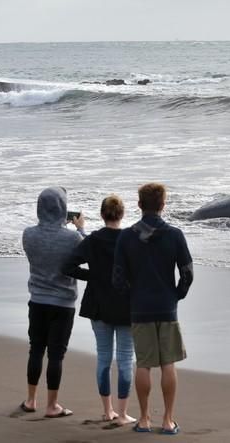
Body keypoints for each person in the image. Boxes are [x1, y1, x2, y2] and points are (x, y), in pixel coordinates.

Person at [112, 183, 193, 435]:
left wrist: (131, 295)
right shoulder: (174, 234)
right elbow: (187, 272)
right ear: (162, 205)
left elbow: (117, 277)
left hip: (140, 306)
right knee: (168, 363)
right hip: (166, 306)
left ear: (139, 205)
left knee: (144, 364)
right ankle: (168, 420)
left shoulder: (126, 236)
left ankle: (145, 418)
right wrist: (177, 294)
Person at [62, 195, 136, 425]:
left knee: (104, 358)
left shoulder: (93, 240)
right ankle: (123, 414)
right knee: (125, 359)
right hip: (126, 306)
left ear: (103, 215)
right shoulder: (131, 239)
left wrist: (94, 276)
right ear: (122, 214)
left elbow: (68, 266)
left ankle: (108, 411)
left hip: (98, 305)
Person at [21, 187, 85, 418]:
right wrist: (81, 229)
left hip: (37, 300)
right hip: (63, 303)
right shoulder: (73, 238)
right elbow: (89, 253)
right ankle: (52, 405)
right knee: (56, 355)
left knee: (36, 349)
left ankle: (30, 399)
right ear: (63, 208)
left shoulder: (28, 234)